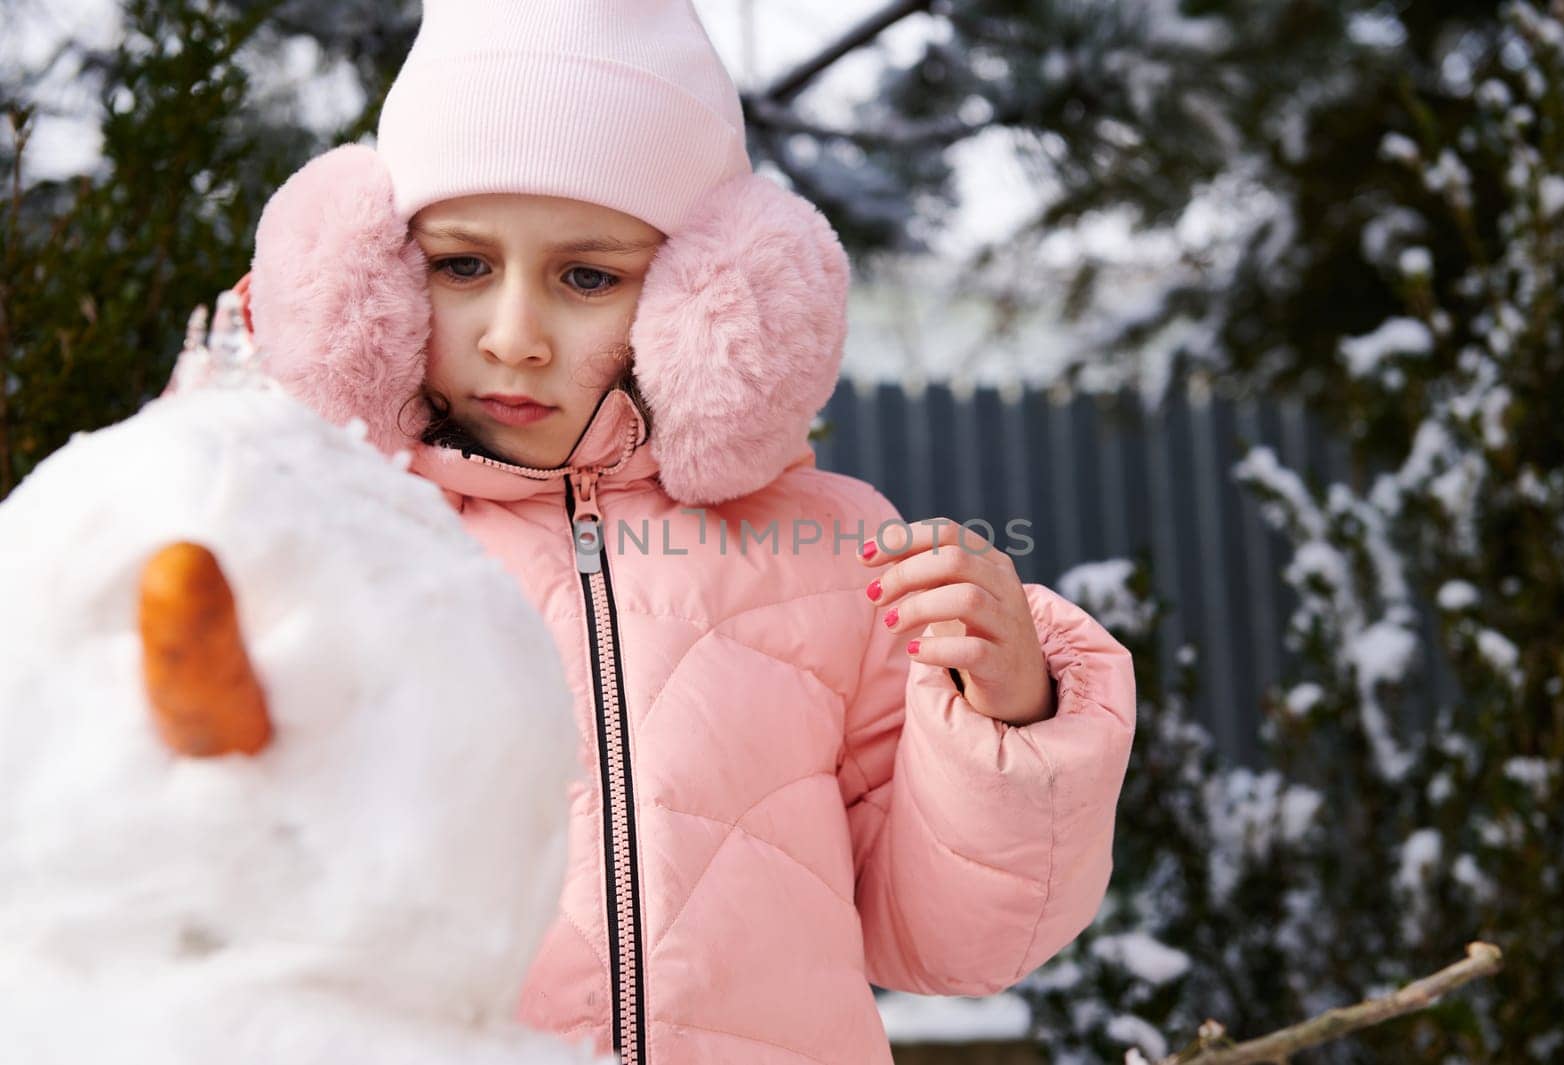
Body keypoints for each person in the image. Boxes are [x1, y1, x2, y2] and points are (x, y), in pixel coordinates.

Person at [235, 2, 1137, 1063]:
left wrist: (1006, 716)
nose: (515, 337)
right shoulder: (338, 543)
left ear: (705, 292)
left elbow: (952, 943)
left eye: (586, 276)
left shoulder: (832, 552)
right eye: (463, 266)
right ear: (378, 275)